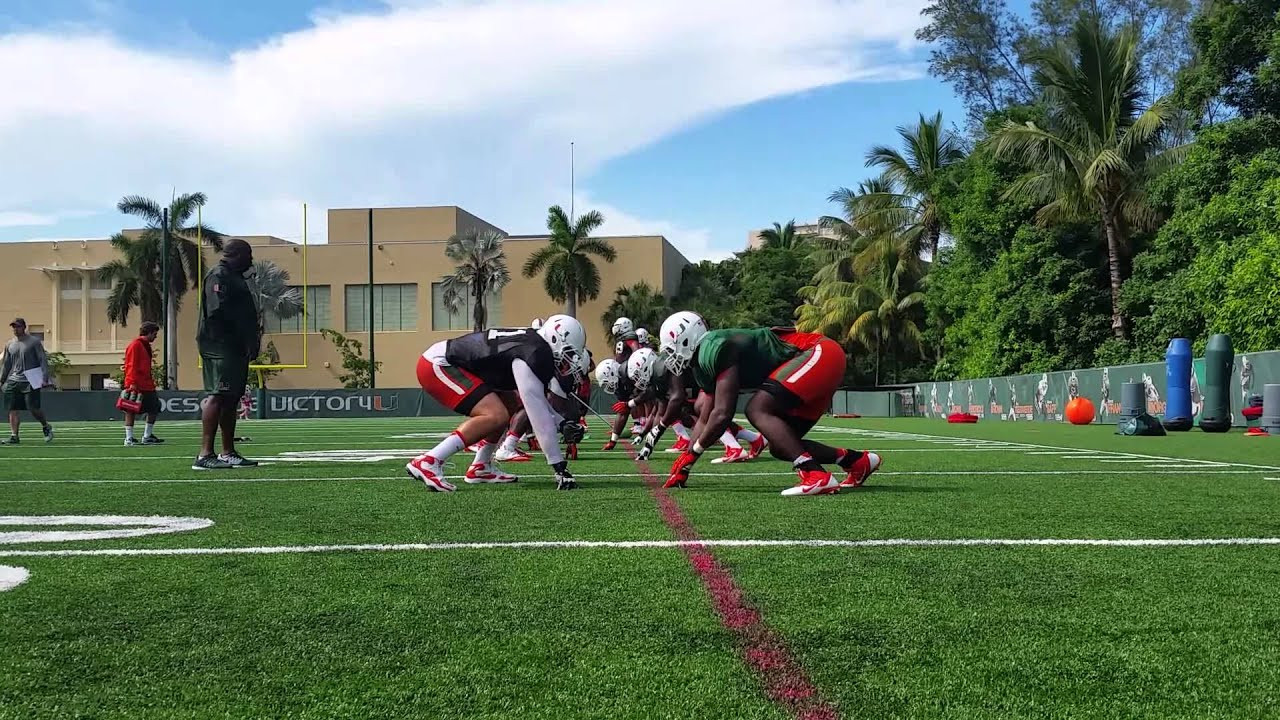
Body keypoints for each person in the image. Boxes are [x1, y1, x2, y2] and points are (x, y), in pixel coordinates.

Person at [658, 311, 882, 496]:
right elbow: (706, 416)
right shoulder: (702, 364)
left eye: (671, 349)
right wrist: (685, 461)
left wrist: (694, 452)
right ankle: (856, 461)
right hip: (814, 363)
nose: (670, 357)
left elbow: (722, 414)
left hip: (817, 352)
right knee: (782, 446)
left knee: (756, 409)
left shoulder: (712, 346)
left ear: (686, 338)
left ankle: (815, 474)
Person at [411, 315, 587, 492]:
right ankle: (429, 461)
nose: (568, 361)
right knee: (495, 414)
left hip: (449, 362)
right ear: (555, 338)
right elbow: (538, 415)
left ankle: (481, 466)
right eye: (569, 352)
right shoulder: (534, 352)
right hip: (438, 364)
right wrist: (559, 467)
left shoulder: (534, 344)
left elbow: (536, 401)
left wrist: (562, 423)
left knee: (509, 403)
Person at [193, 239, 260, 470]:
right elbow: (217, 312)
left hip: (235, 346)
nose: (251, 260)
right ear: (238, 254)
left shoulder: (235, 277)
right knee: (218, 395)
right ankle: (205, 454)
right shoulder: (219, 276)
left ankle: (228, 452)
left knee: (231, 397)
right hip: (220, 345)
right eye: (248, 255)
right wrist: (238, 337)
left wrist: (250, 340)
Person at [1, 318, 54, 445]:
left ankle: (46, 426)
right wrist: (2, 380)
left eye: (18, 326)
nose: (15, 329)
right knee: (12, 408)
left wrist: (45, 377)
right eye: (13, 327)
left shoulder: (34, 342)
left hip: (31, 379)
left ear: (24, 327)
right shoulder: (9, 344)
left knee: (33, 408)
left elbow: (42, 359)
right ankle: (14, 436)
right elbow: (7, 364)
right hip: (13, 380)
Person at [122, 321, 163, 446]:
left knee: (154, 407)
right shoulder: (136, 345)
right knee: (131, 410)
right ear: (149, 332)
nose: (155, 337)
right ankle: (129, 438)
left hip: (147, 383)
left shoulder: (145, 345)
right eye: (154, 334)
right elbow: (131, 365)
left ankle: (147, 436)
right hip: (137, 384)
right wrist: (132, 382)